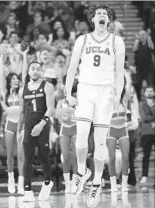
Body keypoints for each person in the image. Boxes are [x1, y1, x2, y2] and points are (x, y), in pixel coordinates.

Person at [65, 4, 125, 207]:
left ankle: (97, 183)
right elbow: (72, 68)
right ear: (92, 20)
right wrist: (68, 93)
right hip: (85, 89)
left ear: (109, 20)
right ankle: (82, 171)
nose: (101, 16)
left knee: (100, 142)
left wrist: (118, 94)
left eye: (105, 14)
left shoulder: (117, 41)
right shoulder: (82, 40)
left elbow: (119, 73)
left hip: (105, 91)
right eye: (98, 13)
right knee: (81, 138)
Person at [17, 61, 55, 202]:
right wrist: (19, 130)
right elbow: (21, 112)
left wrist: (41, 124)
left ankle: (47, 182)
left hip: (42, 124)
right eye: (33, 68)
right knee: (28, 156)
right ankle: (27, 190)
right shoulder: (23, 90)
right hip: (28, 125)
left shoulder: (47, 86)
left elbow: (51, 108)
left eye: (38, 69)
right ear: (28, 71)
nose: (35, 71)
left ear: (41, 72)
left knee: (43, 156)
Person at [0, 43, 25, 195]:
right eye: (13, 78)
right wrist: (2, 56)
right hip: (9, 125)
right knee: (10, 154)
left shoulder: (21, 91)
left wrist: (24, 55)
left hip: (20, 125)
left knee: (21, 154)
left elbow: (25, 71)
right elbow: (1, 74)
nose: (16, 80)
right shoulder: (4, 93)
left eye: (17, 78)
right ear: (10, 81)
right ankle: (10, 180)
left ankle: (20, 183)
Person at [106, 72, 131, 193]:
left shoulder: (124, 100)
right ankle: (113, 184)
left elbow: (128, 84)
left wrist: (123, 70)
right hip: (110, 131)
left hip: (122, 130)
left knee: (125, 157)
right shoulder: (106, 101)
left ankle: (124, 183)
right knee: (111, 158)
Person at [55, 82, 78, 193]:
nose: (65, 92)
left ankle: (74, 183)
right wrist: (66, 112)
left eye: (67, 90)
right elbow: (57, 114)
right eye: (64, 90)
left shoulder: (77, 101)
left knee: (75, 156)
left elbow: (78, 114)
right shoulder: (60, 102)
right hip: (64, 130)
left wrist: (66, 112)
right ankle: (67, 184)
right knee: (65, 157)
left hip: (75, 130)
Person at [139, 86, 155, 184]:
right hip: (146, 132)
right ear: (144, 93)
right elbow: (144, 118)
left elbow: (147, 118)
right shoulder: (141, 105)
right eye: (147, 91)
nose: (149, 92)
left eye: (151, 90)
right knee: (146, 155)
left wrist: (150, 118)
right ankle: (144, 176)